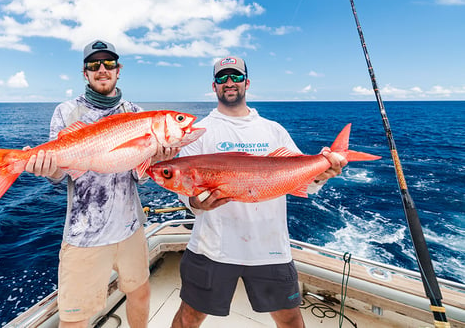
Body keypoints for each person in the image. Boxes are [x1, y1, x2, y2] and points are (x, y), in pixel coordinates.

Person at [171, 56, 348, 328]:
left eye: (236, 77)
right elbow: (187, 191)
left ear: (247, 82)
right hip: (212, 247)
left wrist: (323, 172)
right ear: (214, 86)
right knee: (189, 317)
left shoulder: (273, 130)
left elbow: (302, 180)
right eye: (222, 78)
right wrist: (194, 202)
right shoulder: (199, 132)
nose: (229, 83)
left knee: (290, 319)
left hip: (270, 247)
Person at [24, 40, 176, 328]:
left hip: (130, 228)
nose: (102, 69)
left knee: (141, 293)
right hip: (84, 235)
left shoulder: (135, 111)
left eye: (109, 64)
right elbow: (60, 174)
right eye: (94, 65)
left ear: (119, 71)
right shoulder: (67, 112)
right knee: (75, 318)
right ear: (85, 73)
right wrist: (45, 169)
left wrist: (157, 157)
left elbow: (139, 175)